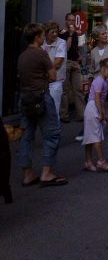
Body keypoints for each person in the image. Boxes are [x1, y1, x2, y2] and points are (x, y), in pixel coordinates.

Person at [17, 23, 67, 187]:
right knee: (52, 133)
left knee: (26, 136)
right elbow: (53, 75)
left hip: (25, 97)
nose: (43, 37)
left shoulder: (22, 56)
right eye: (41, 35)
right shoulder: (41, 53)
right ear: (38, 37)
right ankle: (46, 172)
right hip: (40, 96)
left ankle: (27, 174)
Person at [83, 57, 108, 172]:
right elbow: (97, 98)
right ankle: (101, 161)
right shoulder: (99, 81)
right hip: (93, 108)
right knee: (96, 137)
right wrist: (101, 113)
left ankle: (88, 161)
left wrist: (105, 113)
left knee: (90, 137)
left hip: (93, 108)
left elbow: (102, 100)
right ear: (102, 69)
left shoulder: (103, 81)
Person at [59, 12, 85, 123]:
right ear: (66, 21)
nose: (72, 22)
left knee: (78, 89)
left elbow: (74, 48)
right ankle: (64, 115)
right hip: (66, 63)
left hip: (75, 63)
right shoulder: (62, 33)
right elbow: (66, 49)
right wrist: (70, 34)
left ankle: (81, 115)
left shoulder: (75, 34)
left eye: (73, 20)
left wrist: (79, 56)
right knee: (65, 90)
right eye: (70, 20)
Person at [42, 21, 67, 119]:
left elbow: (58, 62)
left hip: (55, 81)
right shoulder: (42, 42)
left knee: (54, 111)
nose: (55, 34)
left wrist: (43, 71)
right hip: (43, 81)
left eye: (56, 32)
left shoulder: (61, 42)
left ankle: (55, 133)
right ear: (46, 32)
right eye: (52, 32)